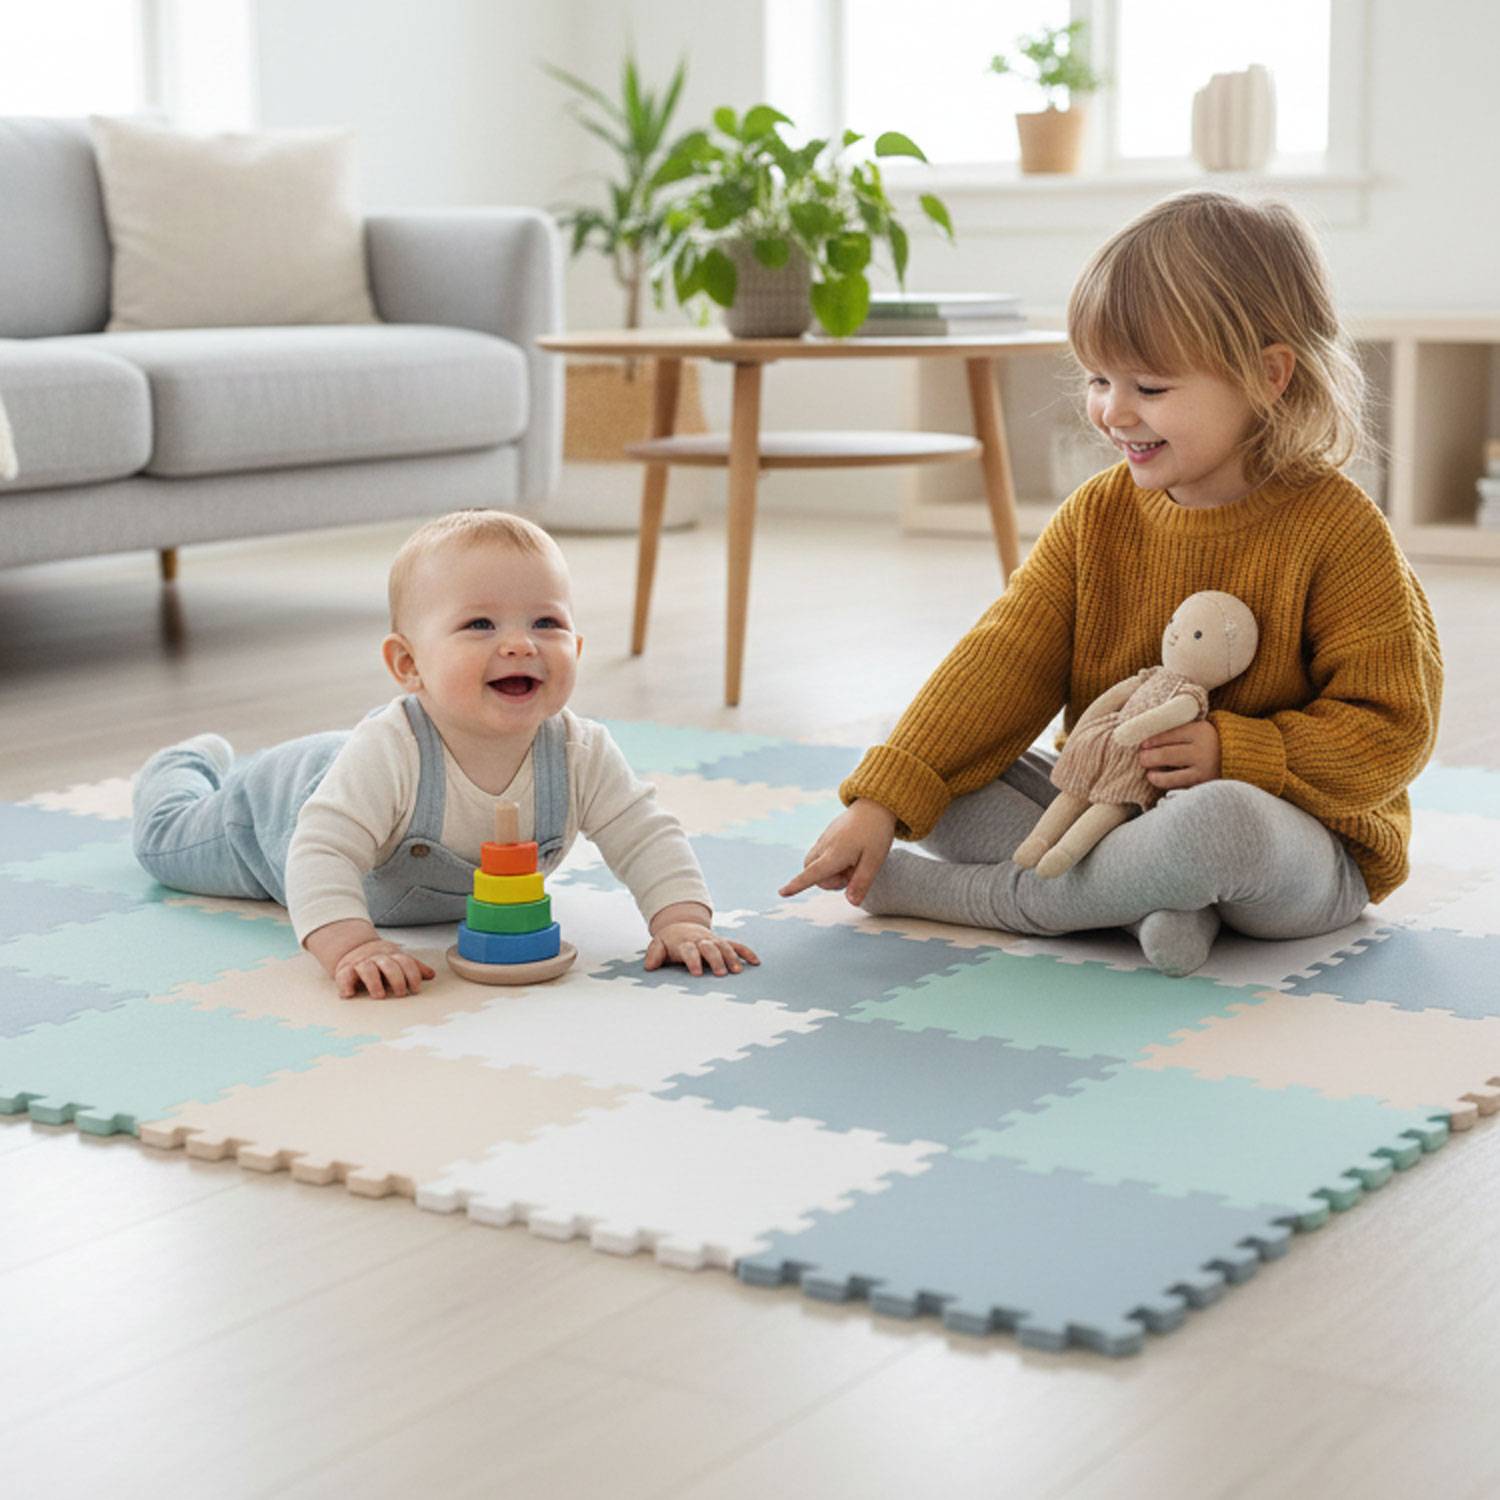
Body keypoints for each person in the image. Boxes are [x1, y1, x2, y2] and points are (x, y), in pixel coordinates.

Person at [780, 190, 1443, 978]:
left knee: (1218, 823)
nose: (1111, 411)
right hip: (1108, 810)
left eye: (1150, 388)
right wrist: (882, 801)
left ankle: (993, 899)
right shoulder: (1098, 516)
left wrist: (1240, 752)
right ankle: (1143, 905)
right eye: (1097, 378)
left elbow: (1393, 731)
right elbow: (1003, 657)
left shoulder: (1339, 529)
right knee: (946, 772)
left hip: (1296, 849)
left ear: (1268, 377)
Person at [132, 510, 758, 997]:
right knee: (165, 843)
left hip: (348, 780)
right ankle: (184, 767)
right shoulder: (392, 750)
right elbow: (321, 848)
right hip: (276, 814)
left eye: (546, 623)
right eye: (480, 625)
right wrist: (350, 945)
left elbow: (645, 833)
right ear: (408, 664)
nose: (519, 645)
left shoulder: (578, 750)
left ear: (577, 643)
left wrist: (682, 921)